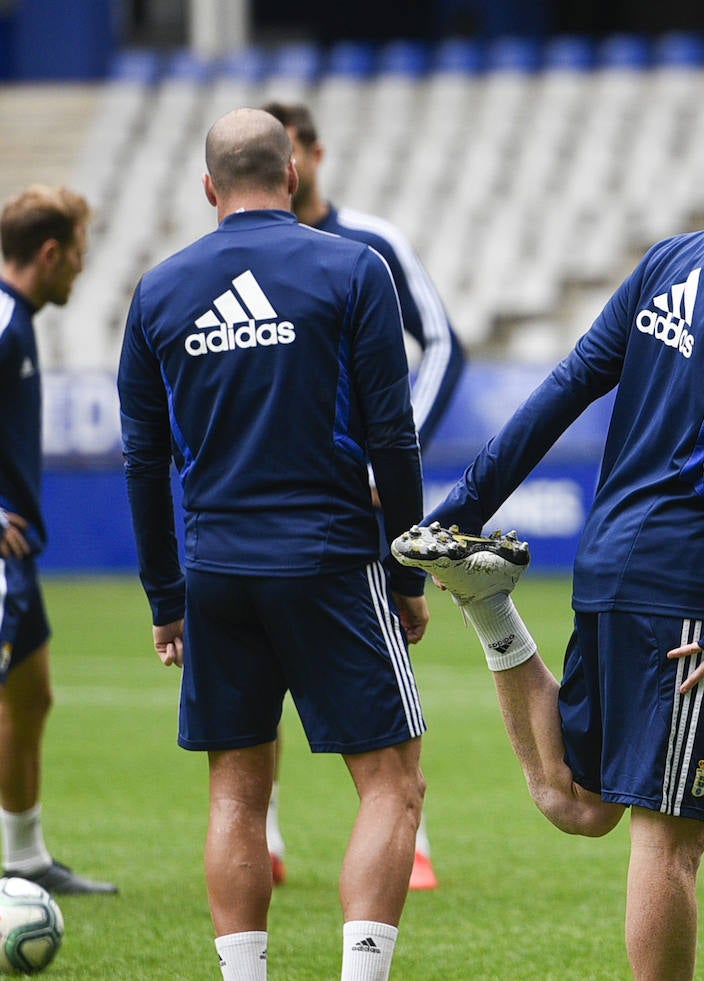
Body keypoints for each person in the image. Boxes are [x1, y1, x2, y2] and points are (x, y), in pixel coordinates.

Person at [392, 100, 704, 980]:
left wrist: (460, 504)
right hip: (684, 587)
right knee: (672, 842)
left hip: (611, 556)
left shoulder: (675, 257)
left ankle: (492, 609)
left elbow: (568, 383)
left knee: (576, 801)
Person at [119, 108, 429, 981]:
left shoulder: (159, 289)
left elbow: (144, 458)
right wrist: (404, 569)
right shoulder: (351, 269)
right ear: (291, 175)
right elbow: (393, 437)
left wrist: (165, 598)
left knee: (236, 792)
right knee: (391, 782)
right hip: (330, 559)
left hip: (216, 568)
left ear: (209, 189)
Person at [260, 99, 464, 892]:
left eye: (294, 148)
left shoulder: (370, 242)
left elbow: (445, 340)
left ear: (314, 151)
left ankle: (411, 839)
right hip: (267, 495)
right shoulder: (243, 253)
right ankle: (268, 834)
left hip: (357, 498)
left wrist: (395, 448)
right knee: (258, 665)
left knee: (387, 663)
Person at [0, 185, 118, 896]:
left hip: (20, 555)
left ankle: (25, 857)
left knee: (31, 694)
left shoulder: (19, 318)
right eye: (78, 252)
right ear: (49, 253)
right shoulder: (4, 319)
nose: (82, 265)